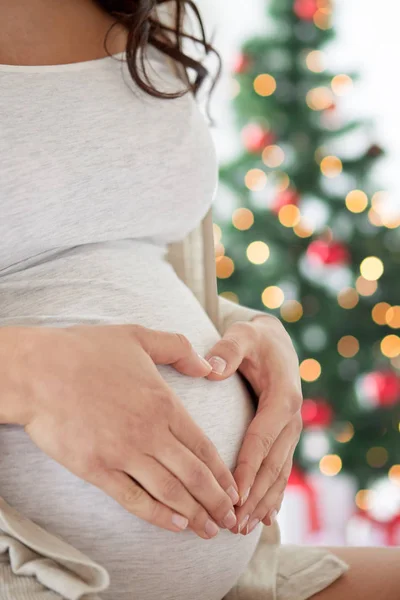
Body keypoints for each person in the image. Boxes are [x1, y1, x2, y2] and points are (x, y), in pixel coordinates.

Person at [0, 1, 398, 599]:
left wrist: (248, 331)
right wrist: (27, 377)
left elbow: (126, 251)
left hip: (235, 577)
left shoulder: (146, 11)